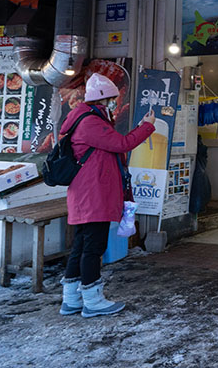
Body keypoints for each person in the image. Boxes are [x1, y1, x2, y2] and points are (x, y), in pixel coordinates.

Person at [59, 73, 156, 318]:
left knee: (81, 246)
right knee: (93, 247)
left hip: (87, 194)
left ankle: (71, 299)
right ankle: (93, 300)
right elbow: (122, 144)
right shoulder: (90, 122)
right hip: (93, 195)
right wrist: (147, 127)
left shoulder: (86, 118)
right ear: (104, 98)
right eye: (112, 99)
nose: (114, 103)